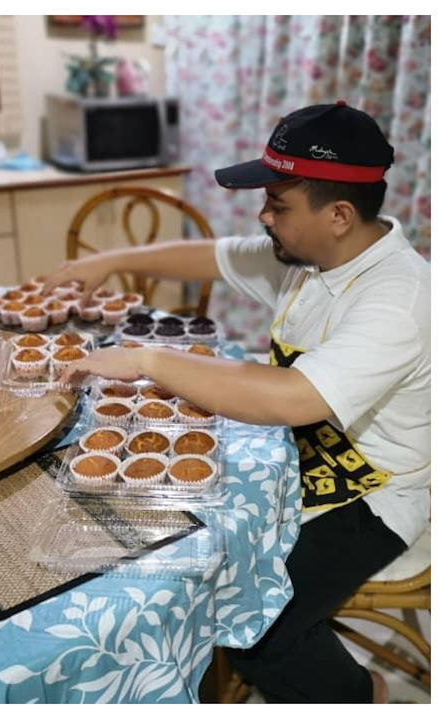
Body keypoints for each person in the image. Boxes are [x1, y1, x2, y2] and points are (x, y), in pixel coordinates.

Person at [47, 102, 430, 703]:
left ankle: (365, 696)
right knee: (172, 554)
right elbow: (213, 255)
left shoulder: (396, 301)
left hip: (377, 497)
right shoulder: (310, 256)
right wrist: (110, 259)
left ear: (338, 214)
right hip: (301, 463)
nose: (264, 217)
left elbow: (297, 397)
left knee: (253, 622)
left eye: (278, 205)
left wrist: (150, 360)